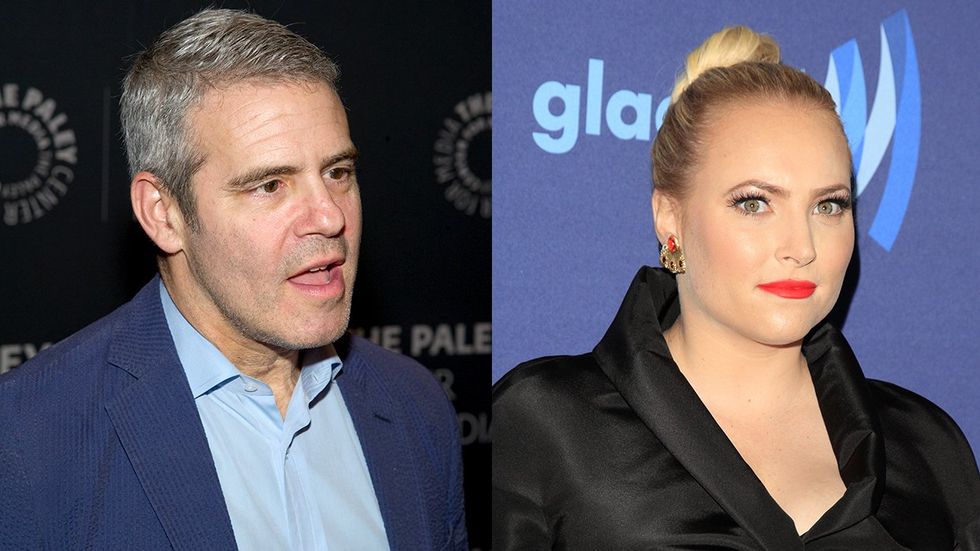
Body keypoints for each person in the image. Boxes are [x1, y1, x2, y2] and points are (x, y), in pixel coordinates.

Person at [492, 25, 980, 549]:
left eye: (828, 205)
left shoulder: (926, 444)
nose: (801, 246)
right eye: (754, 203)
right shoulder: (545, 424)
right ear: (669, 218)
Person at [0, 9, 466, 551]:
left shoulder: (414, 405)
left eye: (338, 172)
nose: (329, 216)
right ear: (163, 214)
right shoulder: (30, 438)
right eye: (270, 185)